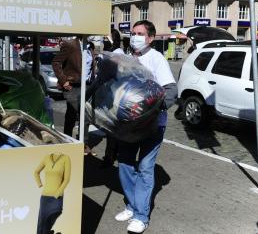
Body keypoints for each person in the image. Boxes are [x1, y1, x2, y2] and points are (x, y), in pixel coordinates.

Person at [114, 20, 177, 233]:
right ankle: (132, 206)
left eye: (140, 33)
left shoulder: (156, 58)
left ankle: (142, 215)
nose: (135, 37)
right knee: (124, 164)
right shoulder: (126, 57)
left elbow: (171, 91)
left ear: (150, 38)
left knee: (145, 167)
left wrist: (153, 111)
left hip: (152, 125)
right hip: (128, 125)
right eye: (133, 33)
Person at [51, 36, 95, 156]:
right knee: (84, 114)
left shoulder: (90, 46)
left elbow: (89, 67)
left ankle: (66, 139)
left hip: (86, 86)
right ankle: (83, 145)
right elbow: (56, 62)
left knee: (71, 114)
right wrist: (63, 80)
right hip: (72, 86)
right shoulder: (70, 45)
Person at [100, 28, 125, 168]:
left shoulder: (117, 53)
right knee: (111, 128)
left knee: (112, 128)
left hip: (116, 95)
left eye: (106, 38)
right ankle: (112, 155)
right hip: (110, 93)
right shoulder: (111, 52)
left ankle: (110, 157)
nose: (104, 40)